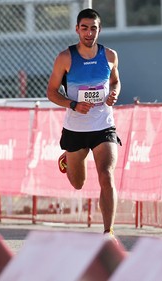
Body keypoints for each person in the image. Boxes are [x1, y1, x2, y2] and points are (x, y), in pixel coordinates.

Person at [46, 8, 121, 237]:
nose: (89, 33)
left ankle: (108, 232)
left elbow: (116, 81)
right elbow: (51, 91)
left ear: (99, 30)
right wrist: (73, 104)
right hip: (76, 128)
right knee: (77, 183)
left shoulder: (110, 56)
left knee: (106, 174)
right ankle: (69, 157)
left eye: (94, 28)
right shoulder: (65, 58)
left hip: (103, 125)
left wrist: (114, 93)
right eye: (85, 28)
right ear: (77, 29)